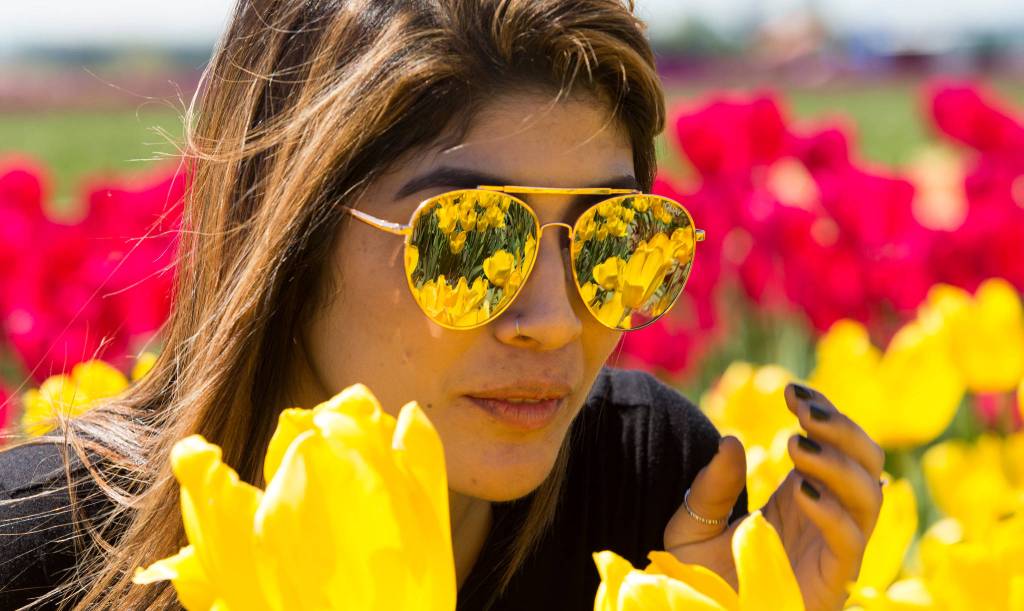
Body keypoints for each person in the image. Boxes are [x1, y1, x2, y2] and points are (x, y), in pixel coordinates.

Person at [0, 1, 884, 609]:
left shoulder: (653, 490)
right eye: (469, 238)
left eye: (614, 239)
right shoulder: (40, 552)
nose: (554, 317)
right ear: (290, 238)